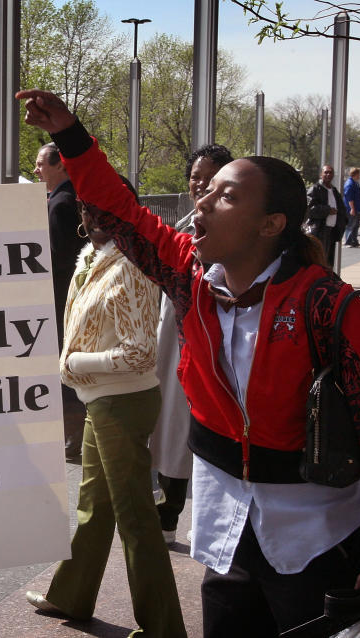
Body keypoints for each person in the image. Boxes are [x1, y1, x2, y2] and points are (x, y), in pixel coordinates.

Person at [16, 89, 360, 636]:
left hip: (316, 540)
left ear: (271, 224)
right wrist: (70, 135)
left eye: (225, 196)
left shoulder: (334, 308)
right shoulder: (188, 277)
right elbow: (121, 211)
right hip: (224, 532)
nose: (201, 201)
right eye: (206, 190)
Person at [25, 177, 186, 638]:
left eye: (103, 210)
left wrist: (74, 362)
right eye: (86, 208)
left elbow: (141, 352)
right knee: (94, 505)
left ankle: (163, 628)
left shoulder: (132, 263)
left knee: (135, 517)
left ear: (126, 211)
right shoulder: (92, 256)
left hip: (124, 400)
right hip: (104, 399)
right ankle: (71, 594)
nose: (91, 218)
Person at [150, 144, 233, 545]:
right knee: (171, 428)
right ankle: (167, 516)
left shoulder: (237, 235)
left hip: (211, 348)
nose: (200, 185)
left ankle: (206, 524)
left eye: (210, 178)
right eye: (196, 177)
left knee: (198, 432)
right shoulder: (182, 228)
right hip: (172, 340)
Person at [34, 142, 88, 460]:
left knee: (65, 364)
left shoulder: (62, 203)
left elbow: (59, 258)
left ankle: (73, 437)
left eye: (41, 164)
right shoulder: (66, 199)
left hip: (61, 298)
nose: (36, 170)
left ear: (61, 166)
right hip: (69, 297)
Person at [306, 164, 348, 267]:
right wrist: (327, 210)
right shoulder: (315, 189)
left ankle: (327, 280)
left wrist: (343, 221)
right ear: (321, 174)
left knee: (328, 262)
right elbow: (309, 209)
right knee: (318, 260)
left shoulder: (334, 191)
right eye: (326, 172)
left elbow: (341, 209)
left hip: (332, 231)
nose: (328, 174)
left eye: (330, 172)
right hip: (319, 231)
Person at [343, 167, 360, 248]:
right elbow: (349, 197)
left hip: (357, 208)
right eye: (358, 174)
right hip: (351, 208)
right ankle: (348, 241)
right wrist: (352, 208)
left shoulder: (355, 183)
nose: (359, 176)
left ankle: (354, 240)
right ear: (355, 174)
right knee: (351, 225)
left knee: (356, 225)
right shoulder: (350, 183)